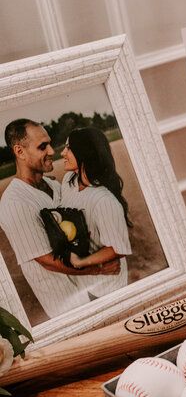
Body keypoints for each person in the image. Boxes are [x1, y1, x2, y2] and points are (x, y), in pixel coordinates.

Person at [0, 119, 119, 319]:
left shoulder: (54, 186)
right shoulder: (14, 203)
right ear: (19, 152)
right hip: (67, 306)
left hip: (93, 292)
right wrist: (98, 270)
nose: (51, 151)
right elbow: (47, 261)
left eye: (49, 143)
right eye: (42, 146)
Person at [60, 126, 132, 299]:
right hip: (84, 285)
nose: (62, 153)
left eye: (69, 148)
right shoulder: (68, 181)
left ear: (85, 152)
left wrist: (80, 263)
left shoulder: (104, 200)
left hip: (108, 288)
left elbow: (116, 248)